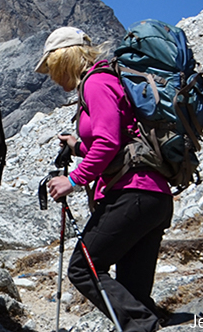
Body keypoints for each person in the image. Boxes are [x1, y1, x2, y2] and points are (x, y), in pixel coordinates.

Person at [41, 26, 173, 332]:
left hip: (131, 194)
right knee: (134, 295)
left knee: (83, 268)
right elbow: (116, 138)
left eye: (51, 67)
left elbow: (108, 142)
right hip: (153, 197)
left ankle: (144, 325)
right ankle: (146, 324)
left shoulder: (96, 83)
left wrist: (72, 181)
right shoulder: (108, 80)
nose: (50, 75)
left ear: (64, 59)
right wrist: (78, 146)